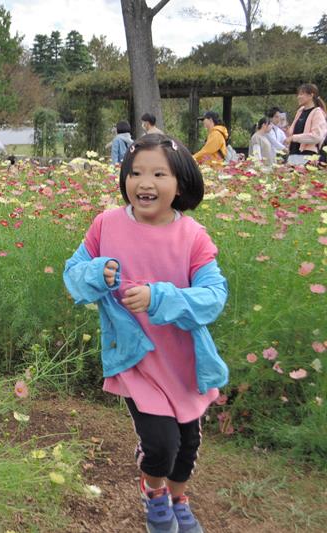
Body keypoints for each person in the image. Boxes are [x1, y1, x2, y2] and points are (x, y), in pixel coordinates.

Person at [64, 134, 228, 533]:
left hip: (184, 361)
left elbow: (213, 296)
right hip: (137, 359)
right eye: (135, 173)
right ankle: (154, 494)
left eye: (159, 173)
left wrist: (160, 297)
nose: (144, 183)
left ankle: (178, 497)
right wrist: (95, 272)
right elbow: (74, 271)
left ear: (181, 183)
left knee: (187, 447)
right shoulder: (107, 224)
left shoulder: (193, 236)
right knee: (161, 445)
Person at [285, 83, 327, 166]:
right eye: (298, 94)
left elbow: (316, 136)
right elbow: (293, 133)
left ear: (311, 95)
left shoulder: (317, 112)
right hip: (293, 155)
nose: (298, 97)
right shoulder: (300, 111)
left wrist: (294, 138)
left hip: (307, 157)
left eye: (301, 94)